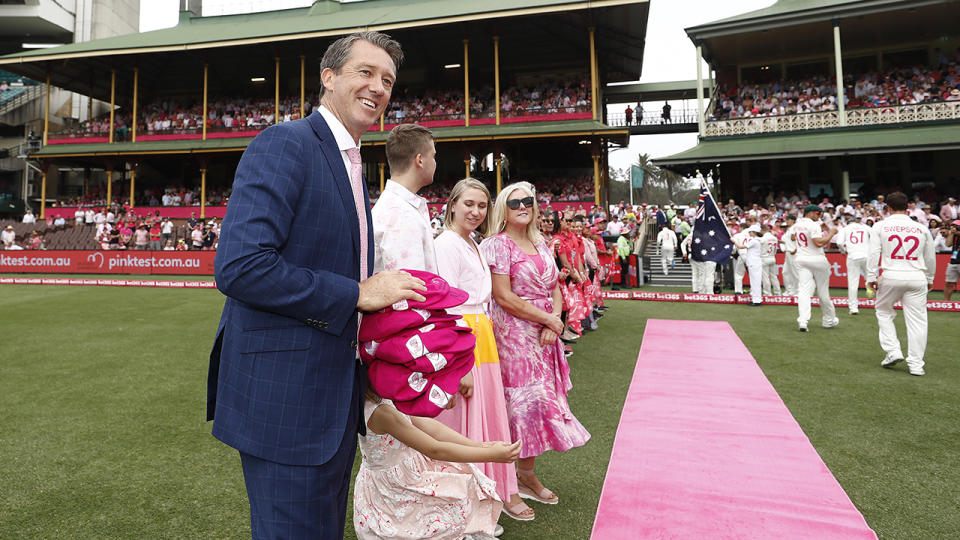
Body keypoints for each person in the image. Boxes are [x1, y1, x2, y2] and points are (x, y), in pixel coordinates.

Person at [207, 32, 429, 540]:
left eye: (388, 80)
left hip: (330, 400)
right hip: (286, 405)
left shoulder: (352, 163)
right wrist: (355, 294)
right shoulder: (286, 143)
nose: (378, 86)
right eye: (365, 72)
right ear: (328, 77)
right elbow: (240, 266)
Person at [480, 181, 590, 508]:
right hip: (513, 336)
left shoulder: (540, 242)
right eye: (514, 203)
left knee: (541, 405)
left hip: (544, 334)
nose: (523, 206)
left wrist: (554, 320)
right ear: (503, 209)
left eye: (528, 200)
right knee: (519, 407)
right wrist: (548, 321)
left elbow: (555, 285)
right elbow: (503, 297)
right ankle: (508, 483)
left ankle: (526, 475)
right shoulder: (497, 245)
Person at [434, 178, 535, 524]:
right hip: (464, 339)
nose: (476, 211)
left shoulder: (473, 243)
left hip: (482, 336)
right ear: (452, 205)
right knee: (467, 424)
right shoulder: (446, 244)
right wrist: (457, 366)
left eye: (482, 205)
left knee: (488, 418)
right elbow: (445, 307)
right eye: (469, 204)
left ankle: (493, 495)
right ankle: (469, 506)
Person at [352, 391, 517, 539]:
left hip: (409, 473)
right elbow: (434, 449)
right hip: (394, 488)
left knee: (453, 495)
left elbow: (433, 429)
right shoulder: (381, 412)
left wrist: (480, 446)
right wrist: (491, 455)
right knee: (425, 521)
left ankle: (467, 530)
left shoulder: (389, 398)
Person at [866, 191, 935, 376]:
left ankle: (893, 351)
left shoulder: (880, 226)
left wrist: (871, 277)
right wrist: (930, 278)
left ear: (887, 207)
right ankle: (916, 364)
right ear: (908, 207)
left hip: (891, 274)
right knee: (918, 321)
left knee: (883, 311)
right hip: (917, 275)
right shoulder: (920, 228)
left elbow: (873, 254)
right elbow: (930, 257)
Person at [372, 123, 438, 274]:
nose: (435, 162)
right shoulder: (401, 215)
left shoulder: (396, 206)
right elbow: (411, 288)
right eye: (433, 156)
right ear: (420, 160)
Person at [794, 204, 839, 332]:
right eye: (818, 214)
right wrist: (831, 233)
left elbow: (799, 236)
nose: (820, 216)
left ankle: (803, 320)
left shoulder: (797, 224)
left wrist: (821, 229)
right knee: (823, 291)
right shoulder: (813, 225)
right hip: (817, 259)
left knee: (803, 291)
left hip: (801, 259)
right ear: (811, 213)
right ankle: (828, 320)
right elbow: (818, 243)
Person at [836, 215, 871, 314]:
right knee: (870, 277)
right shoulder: (865, 227)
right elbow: (875, 236)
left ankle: (853, 308)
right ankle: (869, 287)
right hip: (866, 255)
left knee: (853, 283)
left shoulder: (845, 229)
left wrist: (843, 251)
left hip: (853, 256)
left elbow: (839, 242)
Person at [735, 224, 764, 306]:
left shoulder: (754, 241)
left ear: (754, 232)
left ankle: (756, 300)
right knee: (756, 282)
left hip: (753, 263)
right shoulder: (758, 240)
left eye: (750, 232)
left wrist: (734, 241)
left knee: (755, 282)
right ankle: (756, 299)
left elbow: (741, 247)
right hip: (756, 262)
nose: (749, 233)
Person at [759, 224, 782, 296]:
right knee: (774, 276)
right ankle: (778, 292)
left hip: (764, 258)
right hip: (772, 257)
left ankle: (767, 293)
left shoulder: (763, 238)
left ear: (763, 230)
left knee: (765, 277)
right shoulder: (774, 238)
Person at [781, 215, 799, 296]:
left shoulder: (795, 228)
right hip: (788, 252)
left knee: (795, 272)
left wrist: (795, 249)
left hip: (794, 253)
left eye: (788, 219)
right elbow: (788, 241)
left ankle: (799, 291)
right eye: (786, 219)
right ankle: (790, 290)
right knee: (785, 272)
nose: (787, 221)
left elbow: (799, 240)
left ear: (793, 220)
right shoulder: (789, 229)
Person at [944, 221, 960, 300]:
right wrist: (951, 234)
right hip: (953, 262)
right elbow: (947, 244)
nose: (953, 228)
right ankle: (946, 302)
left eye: (956, 226)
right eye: (953, 226)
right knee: (949, 283)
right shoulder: (954, 236)